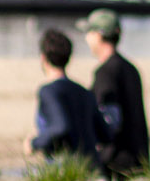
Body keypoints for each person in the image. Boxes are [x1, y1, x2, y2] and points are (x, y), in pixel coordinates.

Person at [84, 8, 150, 181]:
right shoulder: (130, 69)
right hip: (138, 158)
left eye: (88, 33)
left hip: (116, 163)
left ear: (99, 35)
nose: (86, 38)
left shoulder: (105, 72)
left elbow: (110, 120)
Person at [30, 28, 100, 165]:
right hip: (94, 168)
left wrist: (34, 143)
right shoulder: (84, 92)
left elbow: (60, 127)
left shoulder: (48, 91)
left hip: (67, 172)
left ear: (43, 57)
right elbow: (105, 133)